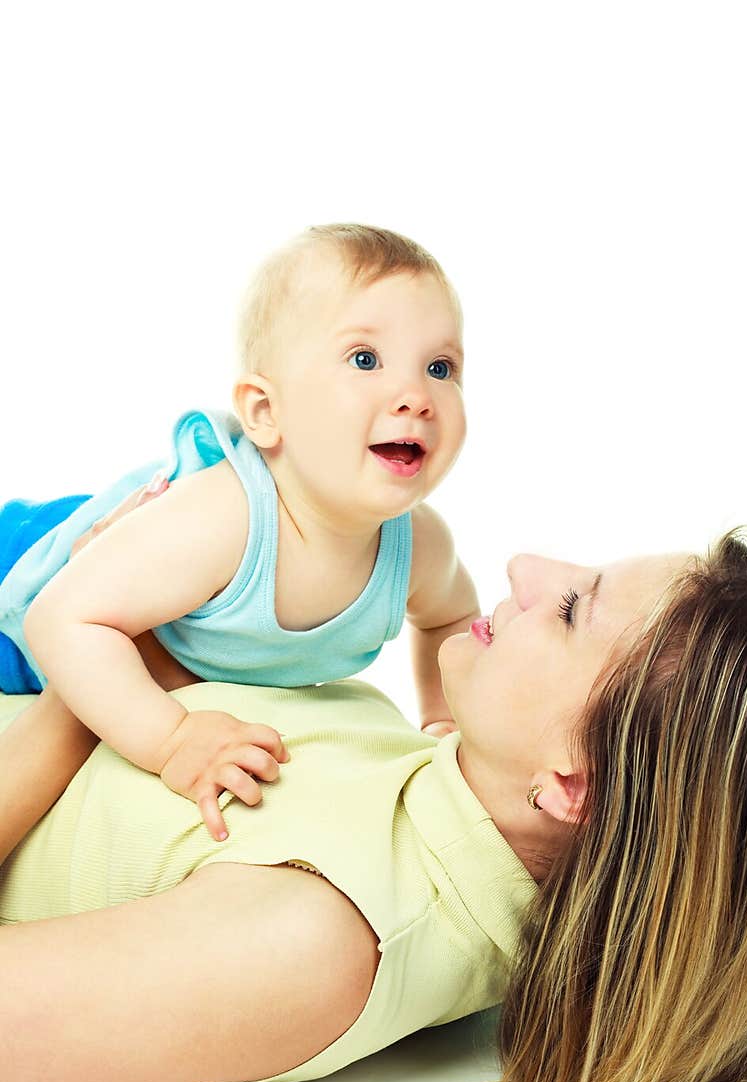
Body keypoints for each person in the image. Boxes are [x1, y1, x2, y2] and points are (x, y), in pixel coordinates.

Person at [1, 517, 747, 1082]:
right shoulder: (436, 782)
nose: (527, 564)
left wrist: (90, 673)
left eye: (572, 609)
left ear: (573, 783)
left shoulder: (319, 936)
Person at [0, 223, 477, 840]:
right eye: (365, 359)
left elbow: (451, 620)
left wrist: (441, 718)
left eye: (441, 366)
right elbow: (60, 619)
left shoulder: (419, 547)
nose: (416, 396)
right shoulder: (229, 519)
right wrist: (171, 739)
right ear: (264, 412)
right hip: (25, 571)